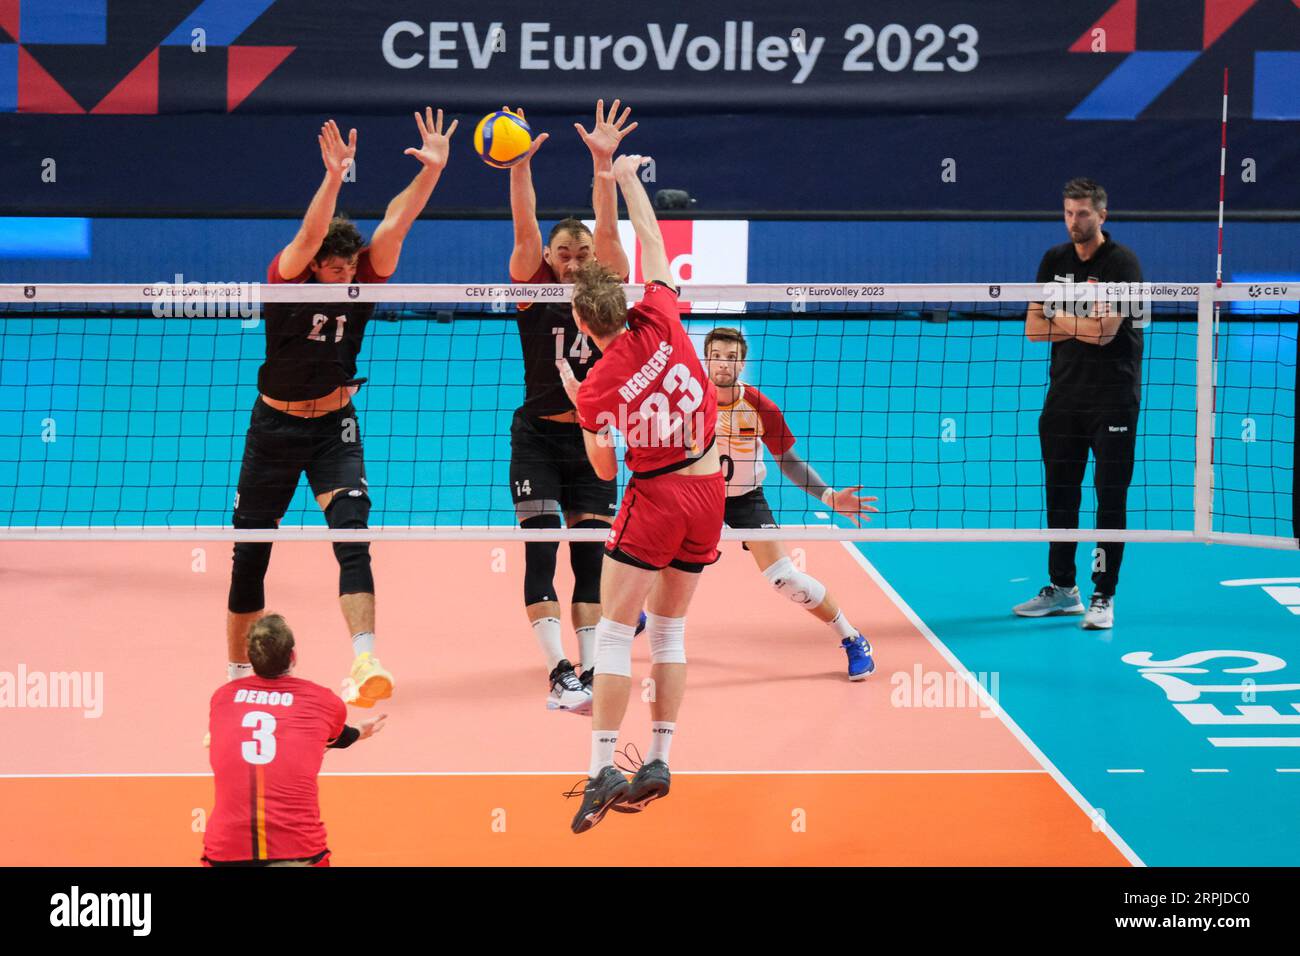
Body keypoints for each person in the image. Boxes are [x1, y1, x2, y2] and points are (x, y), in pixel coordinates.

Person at [226, 110, 456, 704]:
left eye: (351, 264)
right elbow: (307, 237)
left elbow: (396, 225)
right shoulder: (287, 281)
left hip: (335, 425)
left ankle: (364, 661)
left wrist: (431, 172)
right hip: (274, 427)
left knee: (352, 538)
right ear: (313, 267)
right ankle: (235, 687)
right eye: (336, 264)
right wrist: (334, 177)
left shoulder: (361, 281)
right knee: (250, 554)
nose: (347, 272)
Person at [557, 153, 724, 834]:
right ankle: (658, 758)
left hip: (654, 500)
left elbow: (602, 470)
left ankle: (602, 766)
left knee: (616, 633)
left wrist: (580, 402)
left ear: (581, 319)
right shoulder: (658, 311)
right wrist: (625, 178)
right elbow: (654, 242)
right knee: (674, 632)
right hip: (709, 488)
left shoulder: (596, 386)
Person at [505, 100, 641, 714]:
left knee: (590, 561)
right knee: (540, 553)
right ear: (550, 259)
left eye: (580, 253)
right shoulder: (532, 288)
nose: (574, 260)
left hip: (596, 438)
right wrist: (518, 166)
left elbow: (609, 232)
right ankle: (557, 669)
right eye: (564, 252)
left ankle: (586, 670)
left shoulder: (607, 289)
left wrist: (604, 165)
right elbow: (525, 229)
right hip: (537, 435)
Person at [702, 327, 878, 678]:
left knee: (786, 579)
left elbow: (788, 461)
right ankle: (637, 619)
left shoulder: (760, 406)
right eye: (716, 355)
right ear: (705, 358)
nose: (723, 364)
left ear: (742, 365)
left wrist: (829, 496)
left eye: (731, 358)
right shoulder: (688, 400)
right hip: (697, 498)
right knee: (652, 562)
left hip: (744, 500)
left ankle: (852, 638)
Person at [1016, 177, 1144, 630]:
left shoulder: (1122, 264)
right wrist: (1078, 324)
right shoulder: (1054, 260)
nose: (1074, 221)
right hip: (1064, 397)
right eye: (1068, 212)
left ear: (1102, 215)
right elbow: (1033, 329)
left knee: (1110, 497)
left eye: (1083, 213)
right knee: (1061, 494)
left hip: (1113, 399)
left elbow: (1106, 333)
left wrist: (1059, 318)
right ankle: (1063, 589)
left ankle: (1103, 594)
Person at [203, 614, 386, 866]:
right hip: (299, 850)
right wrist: (357, 733)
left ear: (250, 658)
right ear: (293, 656)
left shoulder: (222, 698)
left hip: (225, 851)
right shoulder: (323, 701)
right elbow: (336, 737)